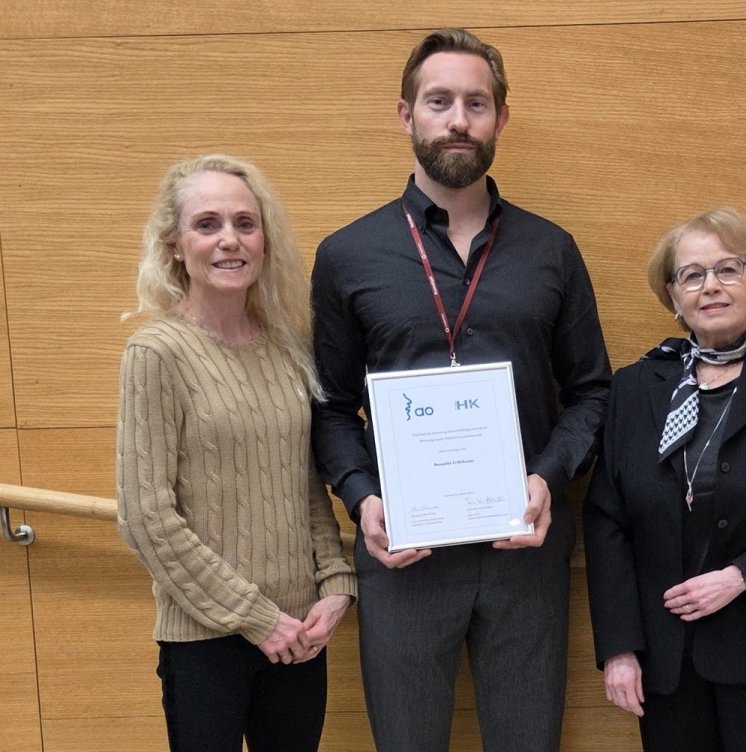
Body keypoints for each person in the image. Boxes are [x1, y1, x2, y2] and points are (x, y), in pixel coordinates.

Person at [310, 28, 611, 752]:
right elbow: (330, 408)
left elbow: (593, 394)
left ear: (501, 117)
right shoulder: (348, 255)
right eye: (438, 101)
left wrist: (548, 477)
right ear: (405, 114)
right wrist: (364, 500)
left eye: (476, 104)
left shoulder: (551, 249)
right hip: (403, 558)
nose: (458, 120)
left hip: (525, 554)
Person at [584, 207, 746, 752]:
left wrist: (741, 577)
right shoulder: (634, 387)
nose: (711, 286)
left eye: (729, 269)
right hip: (666, 662)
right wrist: (619, 647)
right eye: (692, 275)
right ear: (673, 296)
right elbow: (606, 520)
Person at [116, 154, 357, 752]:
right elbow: (146, 517)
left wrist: (336, 582)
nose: (230, 240)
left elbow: (304, 485)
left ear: (264, 240)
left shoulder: (287, 349)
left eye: (245, 223)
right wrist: (256, 617)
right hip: (206, 641)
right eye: (208, 224)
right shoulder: (155, 353)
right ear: (175, 245)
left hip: (299, 634)